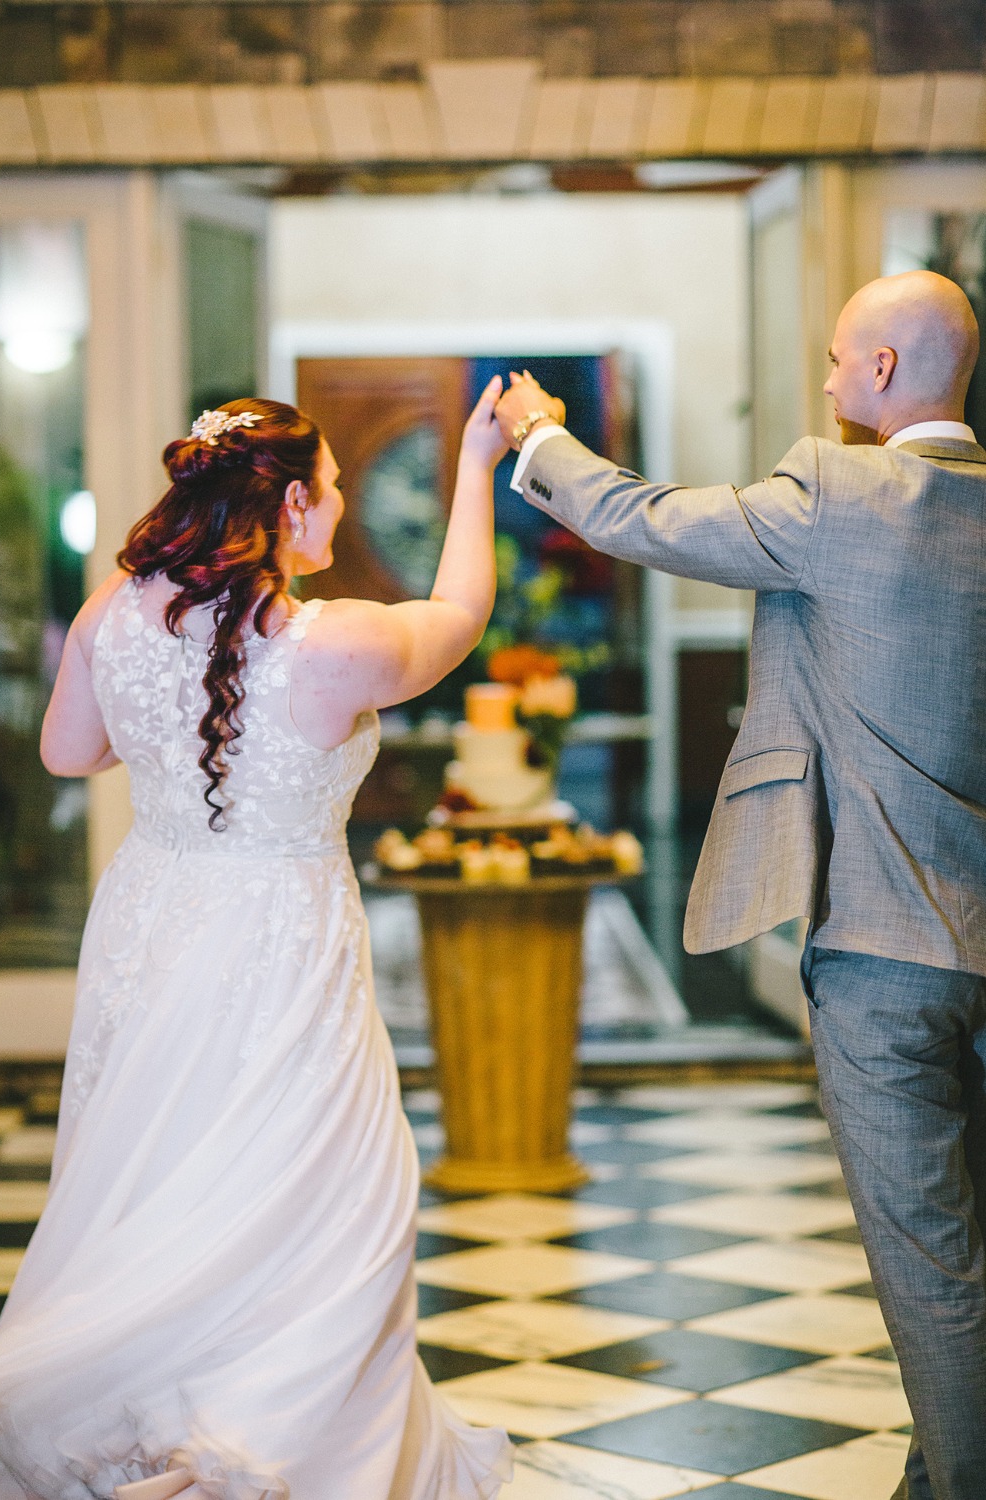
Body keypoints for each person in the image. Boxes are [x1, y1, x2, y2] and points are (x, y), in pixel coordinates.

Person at [494, 270, 986, 1500]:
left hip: (883, 951)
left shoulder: (839, 489)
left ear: (879, 372)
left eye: (834, 359)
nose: (824, 382)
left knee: (933, 1278)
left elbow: (640, 516)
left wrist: (537, 434)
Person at [0, 383, 514, 1500]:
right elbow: (461, 617)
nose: (332, 511)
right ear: (285, 502)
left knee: (153, 1172)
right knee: (316, 1193)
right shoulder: (338, 644)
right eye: (326, 489)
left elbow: (66, 756)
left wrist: (167, 729)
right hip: (282, 940)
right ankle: (254, 1443)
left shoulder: (106, 617)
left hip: (154, 924)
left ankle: (156, 1430)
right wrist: (478, 464)